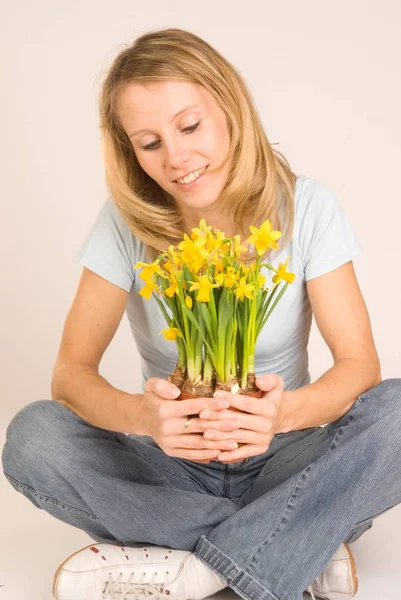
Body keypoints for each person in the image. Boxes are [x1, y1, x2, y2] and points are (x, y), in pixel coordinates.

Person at [2, 27, 401, 600]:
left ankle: (196, 569)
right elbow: (70, 374)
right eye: (149, 142)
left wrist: (284, 413)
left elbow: (359, 365)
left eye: (189, 126)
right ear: (130, 152)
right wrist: (144, 418)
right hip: (171, 464)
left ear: (231, 107)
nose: (177, 158)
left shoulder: (306, 207)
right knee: (34, 437)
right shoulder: (125, 223)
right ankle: (293, 545)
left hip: (285, 460)